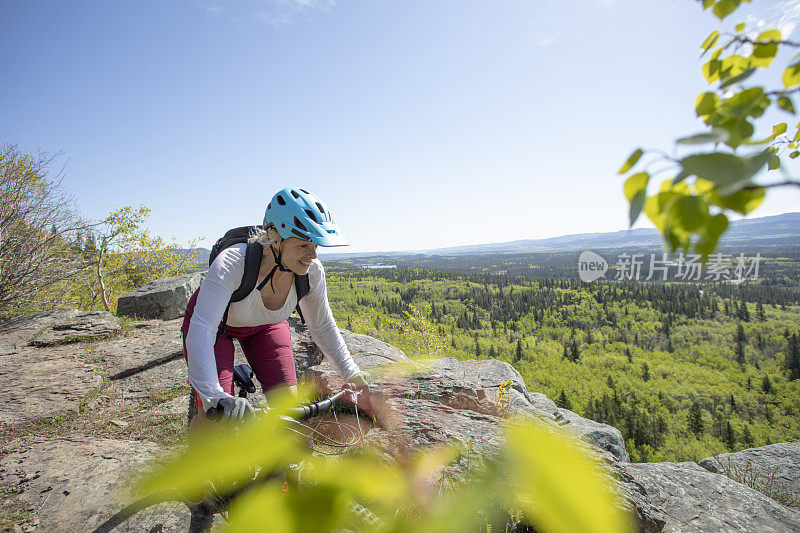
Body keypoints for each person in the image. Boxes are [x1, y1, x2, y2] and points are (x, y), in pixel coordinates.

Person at [182, 187, 370, 425]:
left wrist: (350, 372)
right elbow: (202, 332)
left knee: (289, 411)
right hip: (217, 329)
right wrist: (213, 396)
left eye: (315, 246)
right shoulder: (232, 263)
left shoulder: (311, 273)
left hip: (265, 327)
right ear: (274, 236)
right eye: (303, 245)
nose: (312, 255)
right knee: (214, 419)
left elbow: (322, 325)